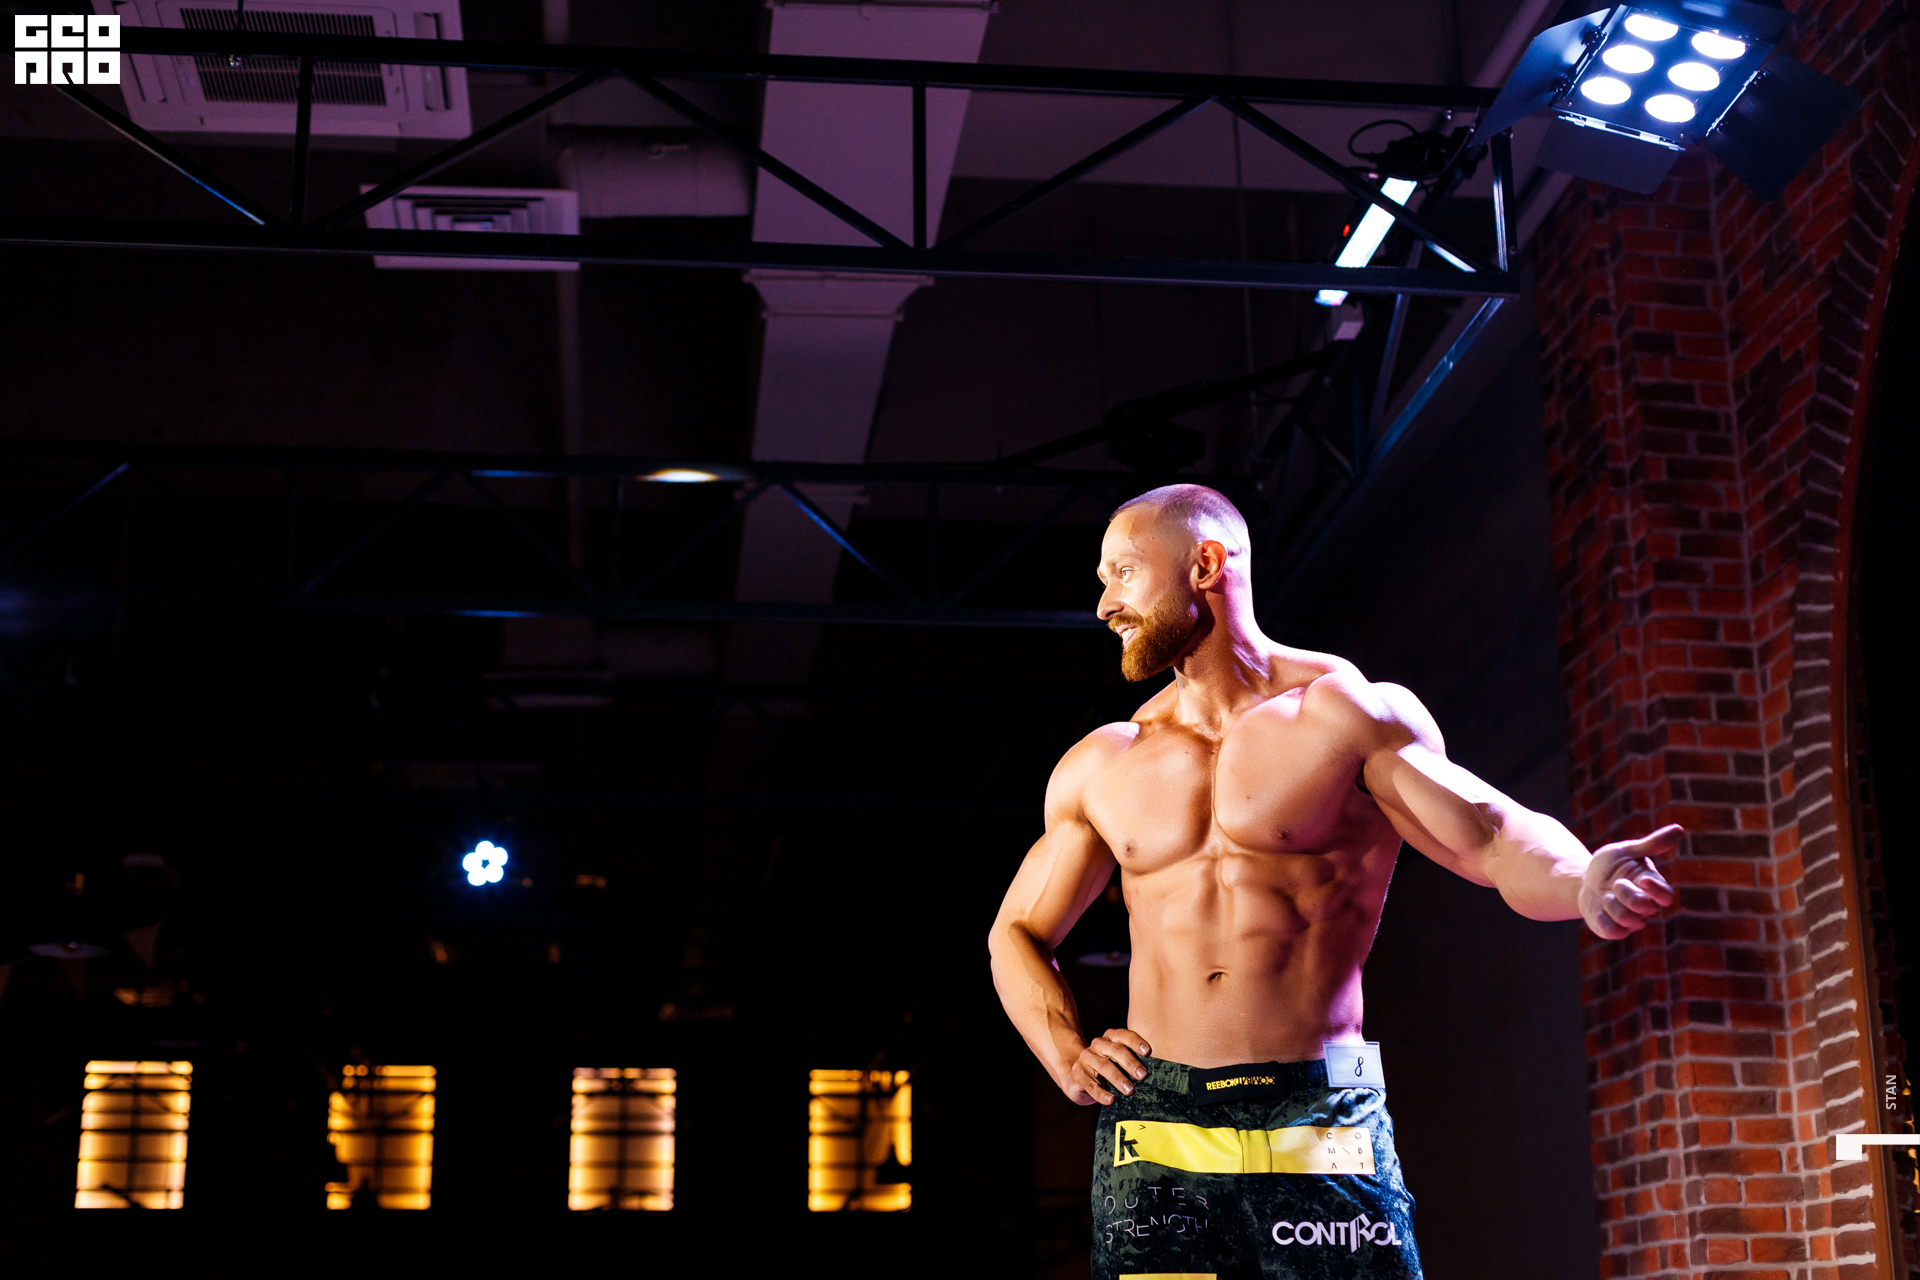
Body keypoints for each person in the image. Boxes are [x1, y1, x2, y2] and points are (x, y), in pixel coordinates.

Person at [987, 484, 1679, 1279]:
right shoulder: (1105, 762)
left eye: (1124, 573)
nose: (1106, 604)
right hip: (1159, 1119)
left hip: (1318, 1111)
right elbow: (1016, 933)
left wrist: (1584, 879)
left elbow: (1490, 838)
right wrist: (1066, 1054)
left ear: (1205, 564)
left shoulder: (1343, 716)